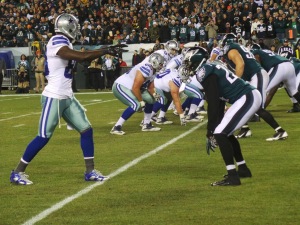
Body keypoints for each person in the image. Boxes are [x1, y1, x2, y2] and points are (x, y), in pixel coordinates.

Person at [9, 13, 120, 185]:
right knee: (43, 136)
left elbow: (82, 60)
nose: (76, 29)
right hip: (54, 96)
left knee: (86, 129)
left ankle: (90, 171)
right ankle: (17, 172)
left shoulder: (67, 42)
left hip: (67, 96)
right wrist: (104, 50)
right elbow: (81, 57)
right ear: (66, 26)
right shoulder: (57, 40)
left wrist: (103, 50)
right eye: (74, 26)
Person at [179, 47, 262, 186]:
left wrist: (210, 130)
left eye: (189, 62)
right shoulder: (211, 66)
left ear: (196, 60)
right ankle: (242, 169)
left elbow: (213, 100)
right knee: (225, 133)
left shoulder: (204, 71)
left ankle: (232, 176)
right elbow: (218, 99)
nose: (188, 66)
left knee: (220, 133)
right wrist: (214, 125)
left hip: (246, 97)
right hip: (247, 96)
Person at [221, 33, 287, 141]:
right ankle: (245, 129)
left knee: (257, 107)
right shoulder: (237, 47)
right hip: (254, 76)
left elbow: (240, 64)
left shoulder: (231, 49)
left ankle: (280, 131)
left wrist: (235, 81)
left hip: (257, 75)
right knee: (242, 101)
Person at [110, 52, 164, 135]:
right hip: (122, 86)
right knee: (136, 105)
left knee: (151, 100)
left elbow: (150, 87)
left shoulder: (153, 70)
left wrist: (154, 94)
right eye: (160, 63)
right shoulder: (147, 68)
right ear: (155, 62)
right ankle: (117, 127)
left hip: (132, 87)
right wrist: (141, 102)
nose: (162, 65)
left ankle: (146, 124)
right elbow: (135, 88)